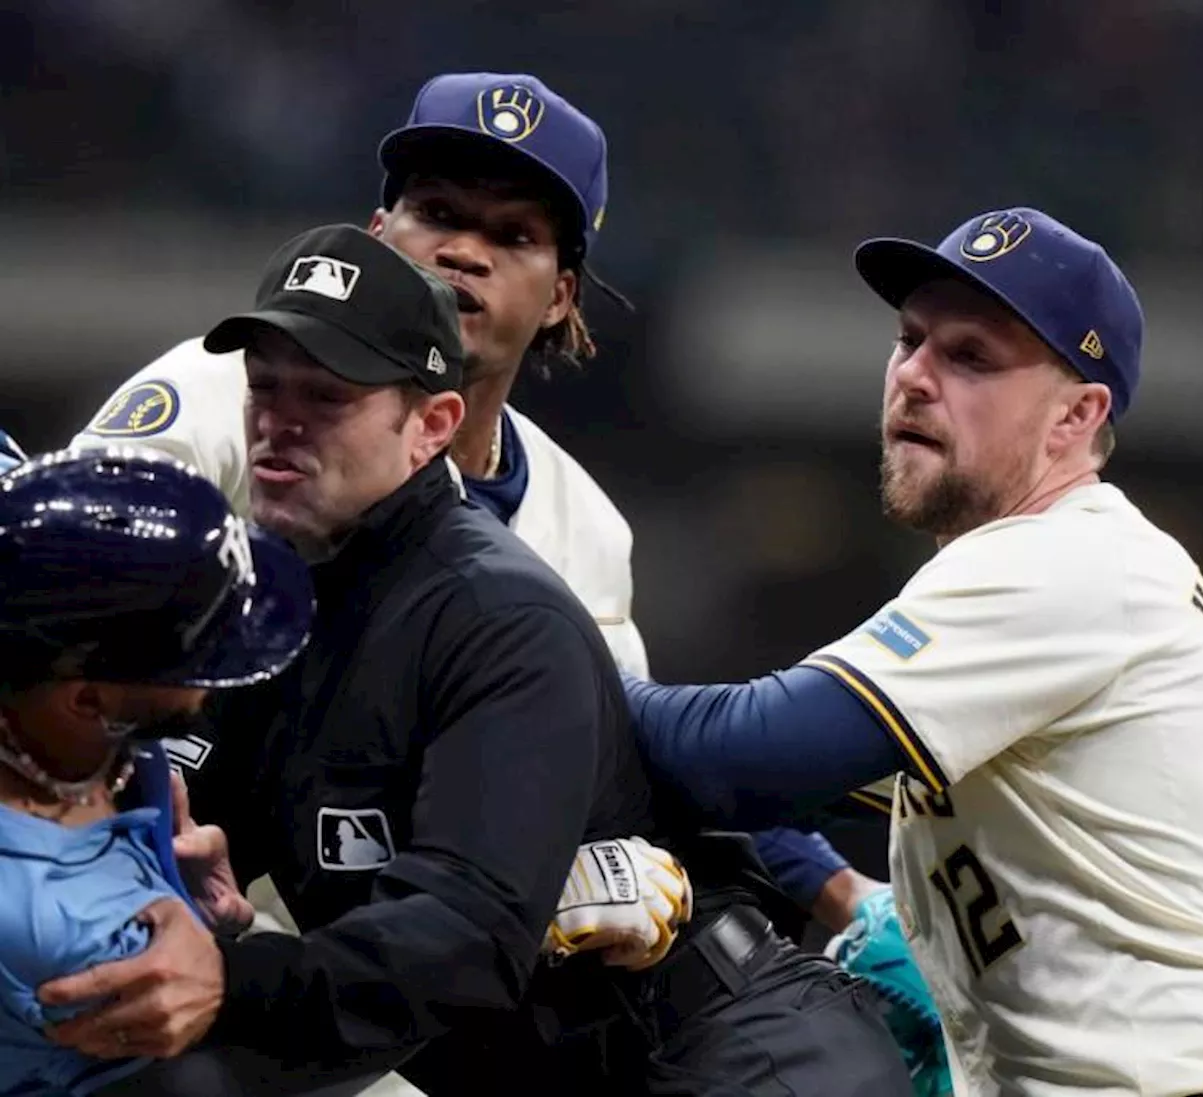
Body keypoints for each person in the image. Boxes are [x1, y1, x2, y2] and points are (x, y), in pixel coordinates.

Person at [44, 223, 914, 1096]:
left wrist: (233, 980)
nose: (281, 424)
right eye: (265, 390)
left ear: (431, 426)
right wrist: (198, 892)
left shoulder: (498, 614)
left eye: (328, 397)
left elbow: (461, 940)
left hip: (732, 1058)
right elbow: (187, 831)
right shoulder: (265, 617)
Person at [67, 72, 866, 947]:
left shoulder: (583, 527)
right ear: (379, 236)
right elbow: (52, 590)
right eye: (438, 213)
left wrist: (805, 880)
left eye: (513, 235)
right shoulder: (224, 396)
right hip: (109, 894)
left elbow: (615, 755)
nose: (463, 252)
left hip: (373, 974)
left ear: (562, 294)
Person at [624, 207, 1203, 1096]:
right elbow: (773, 787)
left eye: (971, 357)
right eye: (910, 340)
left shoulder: (1066, 561)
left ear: (1076, 415)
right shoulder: (1045, 572)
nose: (915, 377)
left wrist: (553, 674)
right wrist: (844, 891)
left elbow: (749, 756)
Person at [0, 447, 313, 1095]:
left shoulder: (78, 731)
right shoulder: (58, 925)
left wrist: (192, 896)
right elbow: (210, 1010)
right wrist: (224, 951)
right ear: (88, 700)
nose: (211, 686)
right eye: (197, 666)